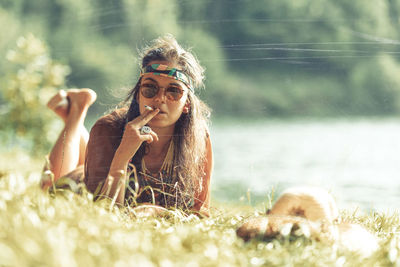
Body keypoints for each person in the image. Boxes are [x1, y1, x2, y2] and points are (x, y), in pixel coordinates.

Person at [41, 35, 213, 216]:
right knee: (47, 187)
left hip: (95, 165)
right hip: (80, 185)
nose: (159, 98)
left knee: (87, 160)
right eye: (150, 88)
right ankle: (75, 115)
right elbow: (103, 212)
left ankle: (75, 117)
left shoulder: (198, 137)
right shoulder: (108, 129)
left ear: (187, 103)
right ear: (138, 94)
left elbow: (200, 212)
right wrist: (123, 154)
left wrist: (156, 212)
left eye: (173, 91)